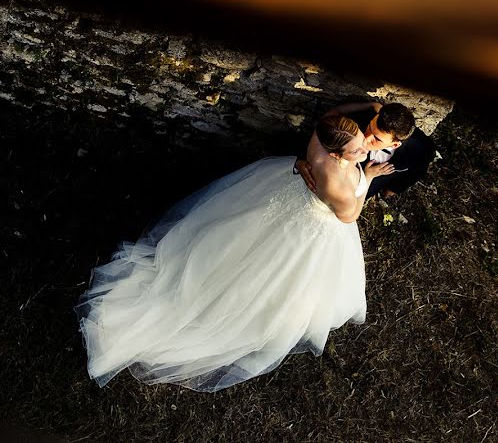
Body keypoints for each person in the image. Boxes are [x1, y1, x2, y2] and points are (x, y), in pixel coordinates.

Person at [75, 115, 394, 392]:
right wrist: (368, 176)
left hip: (289, 204)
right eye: (357, 149)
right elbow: (349, 216)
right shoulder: (337, 185)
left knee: (245, 246)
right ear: (337, 152)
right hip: (313, 227)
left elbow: (334, 117)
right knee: (278, 276)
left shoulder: (318, 144)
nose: (365, 148)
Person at [294, 101, 435, 199]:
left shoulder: (420, 149)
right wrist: (301, 159)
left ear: (395, 145)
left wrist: (395, 189)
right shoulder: (354, 124)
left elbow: (419, 169)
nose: (366, 139)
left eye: (377, 139)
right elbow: (324, 131)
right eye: (370, 127)